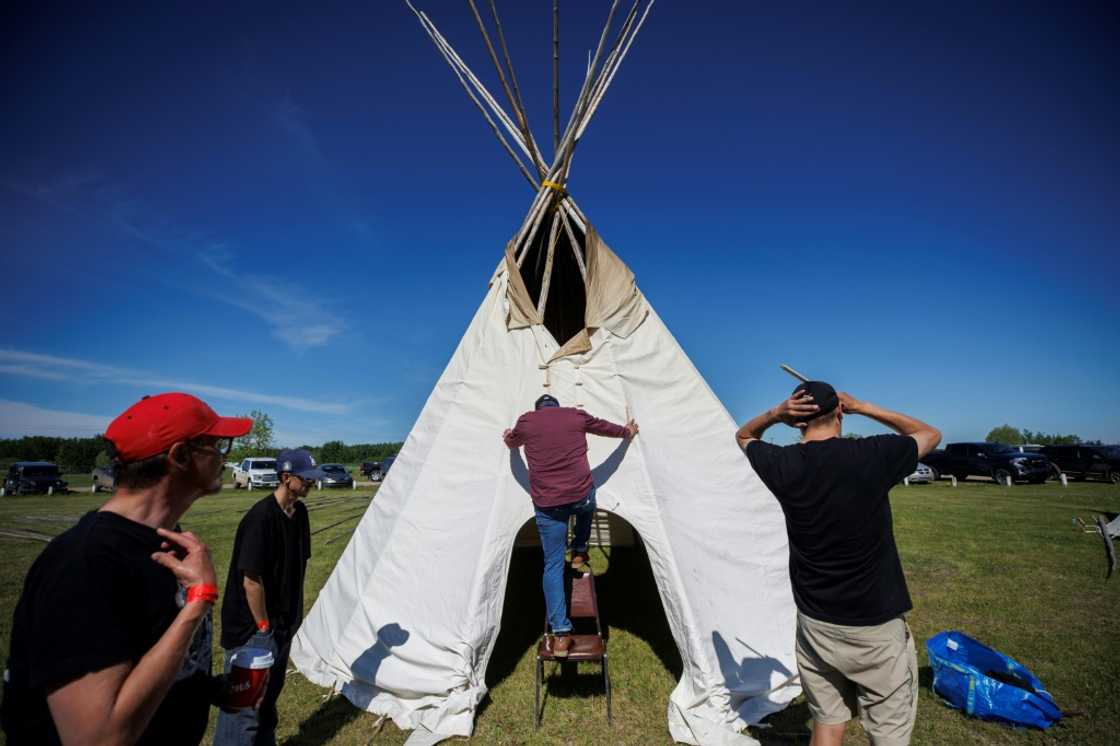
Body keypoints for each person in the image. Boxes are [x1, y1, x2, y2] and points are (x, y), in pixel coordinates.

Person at [1, 392, 251, 745]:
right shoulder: (86, 563)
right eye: (215, 445)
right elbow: (97, 737)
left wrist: (208, 689)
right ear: (180, 455)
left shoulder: (167, 541)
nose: (225, 458)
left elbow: (143, 655)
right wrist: (199, 600)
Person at [736, 381, 940, 746]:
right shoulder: (872, 455)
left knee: (827, 724)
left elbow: (744, 436)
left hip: (816, 622)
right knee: (888, 733)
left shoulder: (782, 463)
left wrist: (774, 414)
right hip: (875, 625)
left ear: (797, 422)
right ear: (840, 413)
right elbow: (929, 434)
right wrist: (866, 406)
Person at [503, 393, 638, 657]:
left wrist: (509, 436)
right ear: (556, 405)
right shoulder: (576, 415)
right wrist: (627, 431)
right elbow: (604, 427)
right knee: (587, 505)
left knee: (552, 565)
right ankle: (578, 549)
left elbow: (512, 443)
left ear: (537, 408)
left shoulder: (527, 421)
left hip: (548, 504)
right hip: (579, 496)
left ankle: (562, 635)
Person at [215, 448, 320, 745]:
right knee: (243, 711)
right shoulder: (260, 519)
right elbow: (251, 581)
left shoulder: (299, 514)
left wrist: (288, 621)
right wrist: (263, 627)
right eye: (306, 478)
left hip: (283, 625)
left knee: (267, 704)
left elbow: (298, 566)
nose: (312, 483)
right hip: (254, 630)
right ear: (286, 478)